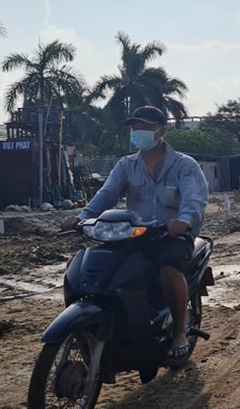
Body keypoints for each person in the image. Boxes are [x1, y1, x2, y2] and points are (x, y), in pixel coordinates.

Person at [61, 106, 208, 360]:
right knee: (94, 264)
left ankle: (179, 334)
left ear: (161, 131)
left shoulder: (184, 165)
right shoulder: (126, 165)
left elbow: (194, 200)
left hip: (171, 236)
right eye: (134, 127)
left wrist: (183, 220)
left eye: (145, 128)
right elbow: (106, 194)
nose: (137, 132)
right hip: (134, 233)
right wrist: (83, 217)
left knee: (168, 267)